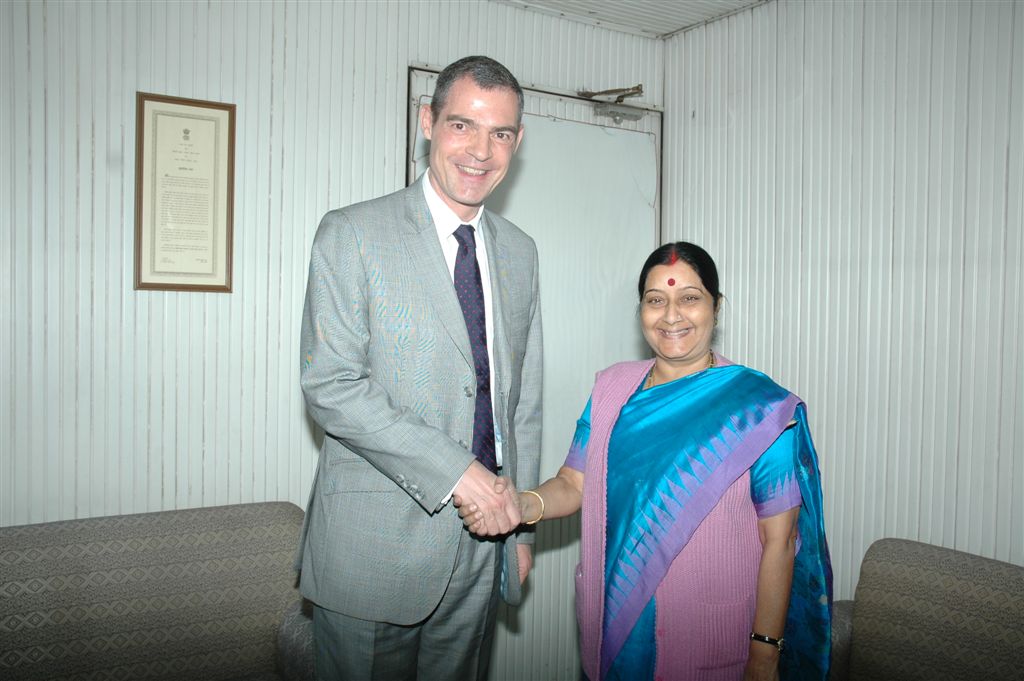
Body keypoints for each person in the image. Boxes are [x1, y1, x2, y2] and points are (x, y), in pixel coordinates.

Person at [458, 242, 832, 681]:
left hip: (711, 631)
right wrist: (521, 505)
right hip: (616, 623)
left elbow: (781, 542)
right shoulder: (610, 389)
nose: (672, 315)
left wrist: (765, 657)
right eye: (656, 300)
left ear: (717, 306)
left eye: (689, 298)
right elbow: (573, 482)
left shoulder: (760, 409)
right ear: (641, 311)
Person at [297, 55, 542, 680]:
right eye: (463, 126)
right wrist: (459, 473)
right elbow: (331, 386)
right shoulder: (352, 233)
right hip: (372, 550)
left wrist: (520, 530)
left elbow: (523, 404)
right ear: (428, 121)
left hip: (482, 550)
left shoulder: (520, 252)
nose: (481, 151)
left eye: (501, 133)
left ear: (518, 140)